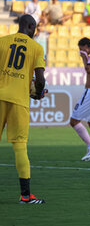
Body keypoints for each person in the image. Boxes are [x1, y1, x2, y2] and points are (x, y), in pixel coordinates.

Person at [0, 14, 46, 204]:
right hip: (19, 101)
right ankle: (26, 196)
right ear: (30, 26)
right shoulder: (36, 47)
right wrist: (37, 92)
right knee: (20, 147)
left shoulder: (2, 42)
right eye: (34, 28)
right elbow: (40, 79)